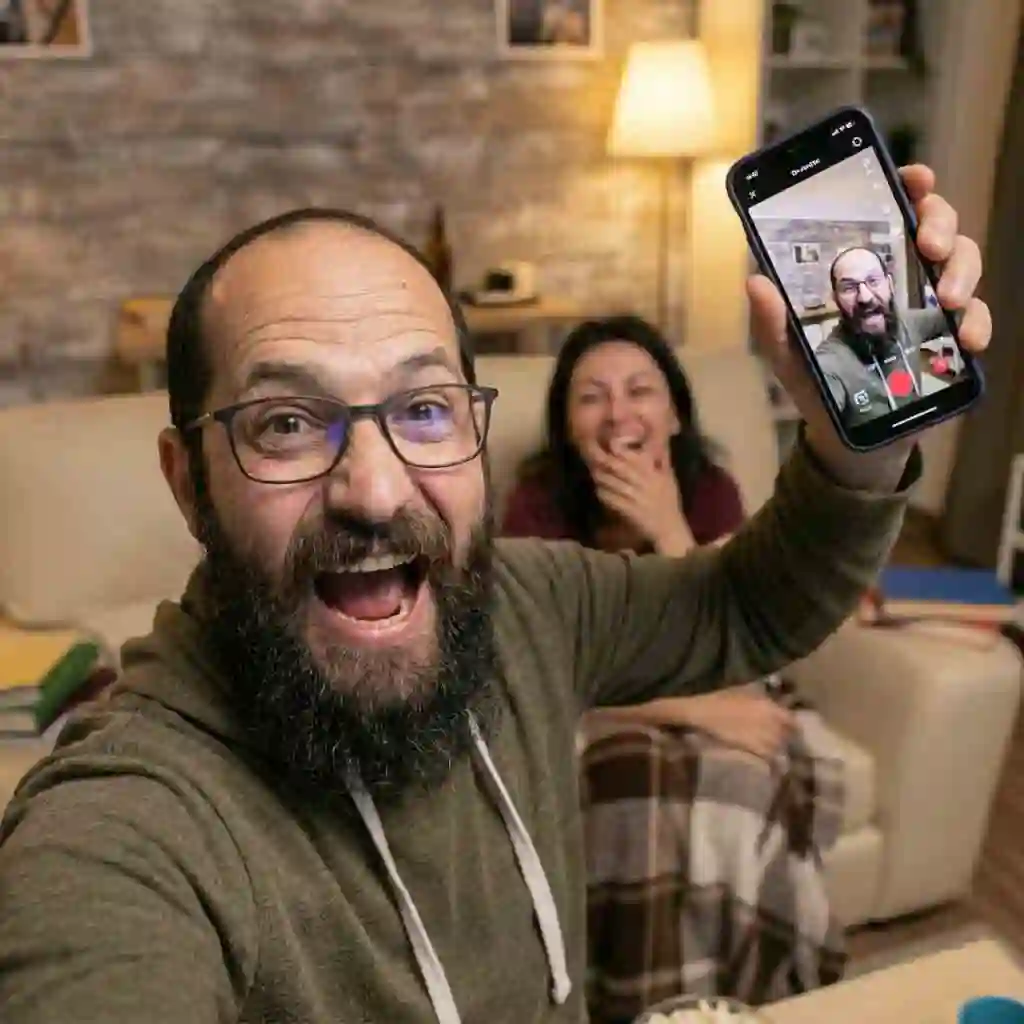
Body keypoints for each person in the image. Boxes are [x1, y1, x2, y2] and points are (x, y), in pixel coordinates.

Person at [0, 165, 990, 1024]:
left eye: (424, 408)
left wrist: (861, 433)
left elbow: (751, 602)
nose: (376, 488)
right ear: (187, 482)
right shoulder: (126, 828)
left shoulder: (529, 601)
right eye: (287, 423)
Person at [502, 316, 847, 1019]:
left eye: (641, 391)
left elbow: (738, 656)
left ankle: (753, 1003)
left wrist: (666, 527)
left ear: (677, 413)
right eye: (591, 396)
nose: (619, 413)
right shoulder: (536, 504)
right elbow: (538, 677)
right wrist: (698, 713)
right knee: (639, 778)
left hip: (717, 681)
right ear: (567, 425)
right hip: (598, 712)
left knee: (745, 782)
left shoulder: (709, 486)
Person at [815, 246, 954, 427]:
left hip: (913, 445)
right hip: (870, 455)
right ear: (836, 299)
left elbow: (957, 316)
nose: (865, 297)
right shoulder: (830, 360)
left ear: (890, 284)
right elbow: (821, 413)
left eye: (873, 281)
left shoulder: (909, 323)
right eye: (849, 288)